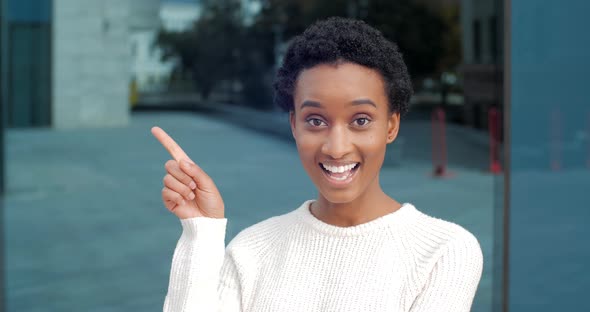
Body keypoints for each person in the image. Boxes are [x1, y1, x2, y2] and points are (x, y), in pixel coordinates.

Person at [153, 17, 483, 312]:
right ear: (294, 125)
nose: (336, 148)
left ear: (391, 126)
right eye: (315, 120)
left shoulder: (445, 252)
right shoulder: (251, 251)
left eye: (361, 119)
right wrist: (201, 234)